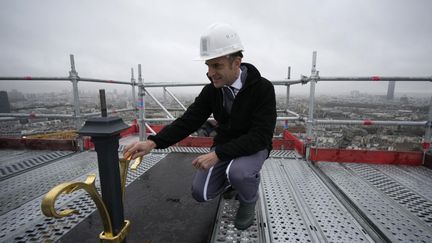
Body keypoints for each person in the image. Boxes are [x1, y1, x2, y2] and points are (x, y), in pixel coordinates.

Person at [123, 23, 277, 230]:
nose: (210, 73)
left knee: (239, 172)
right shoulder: (213, 91)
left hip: (254, 147)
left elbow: (260, 136)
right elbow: (189, 120)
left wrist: (218, 154)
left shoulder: (262, 88)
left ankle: (248, 198)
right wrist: (153, 142)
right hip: (226, 146)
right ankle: (235, 182)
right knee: (200, 193)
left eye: (217, 66)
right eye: (208, 66)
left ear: (236, 63)